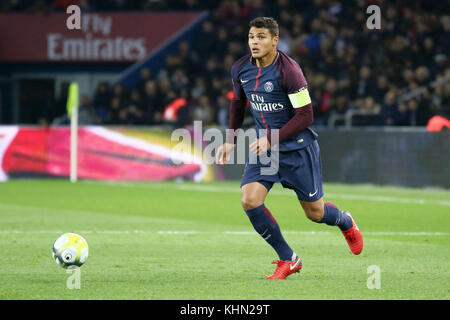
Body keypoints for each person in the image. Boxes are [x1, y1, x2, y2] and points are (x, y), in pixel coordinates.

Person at [215, 17, 363, 280]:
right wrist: (230, 140)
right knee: (249, 200)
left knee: (315, 213)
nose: (254, 42)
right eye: (251, 36)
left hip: (297, 149)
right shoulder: (240, 69)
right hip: (266, 151)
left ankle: (345, 221)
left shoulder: (289, 71)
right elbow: (238, 105)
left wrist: (272, 138)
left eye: (261, 37)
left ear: (275, 41)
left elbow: (306, 115)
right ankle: (289, 258)